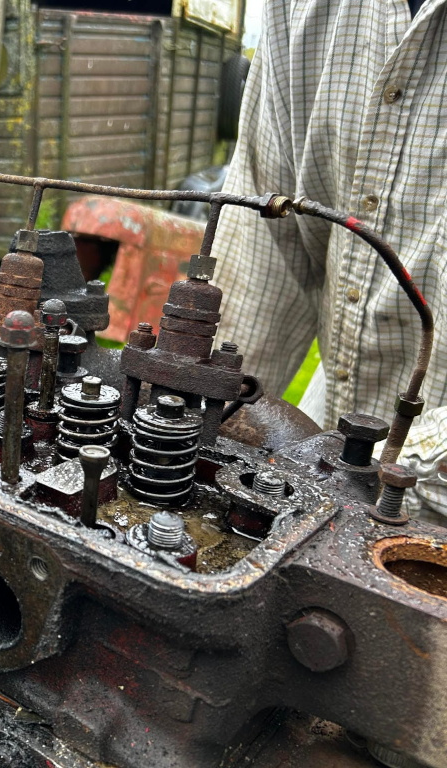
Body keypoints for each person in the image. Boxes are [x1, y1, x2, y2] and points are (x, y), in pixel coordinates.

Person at [211, 0, 447, 519]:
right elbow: (266, 250)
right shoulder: (303, 8)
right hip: (334, 442)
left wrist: (410, 460)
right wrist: (199, 420)